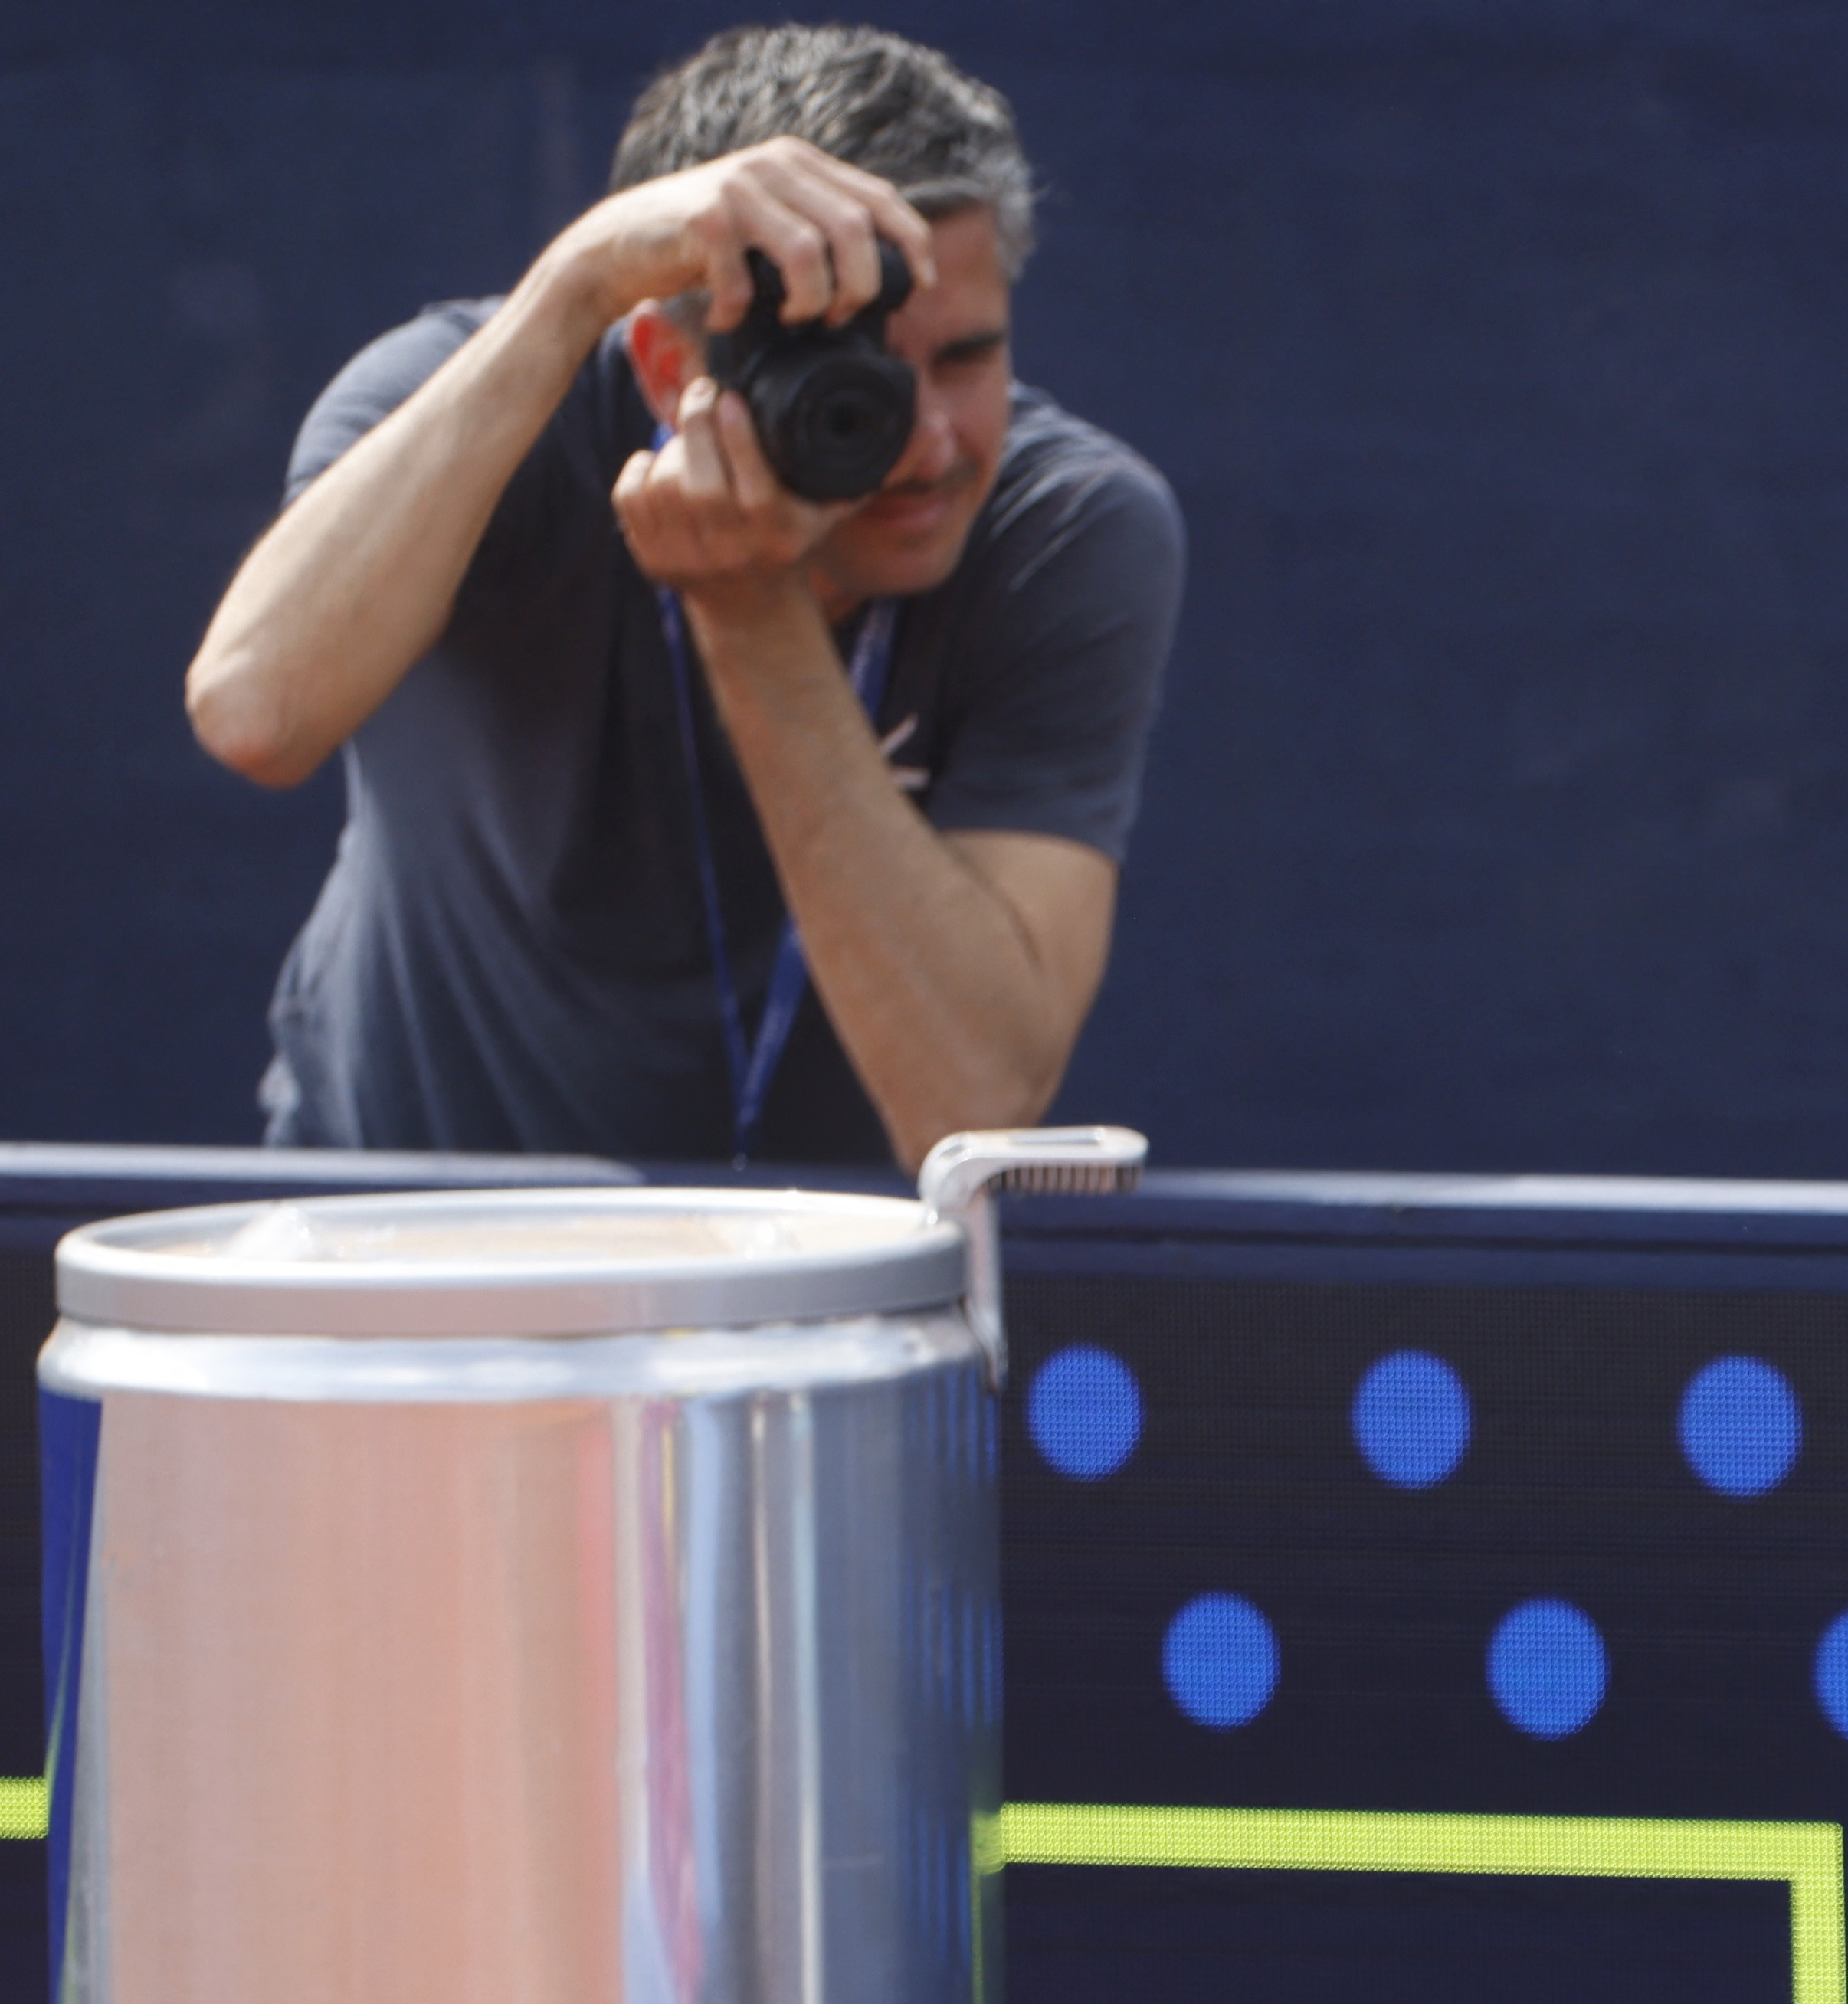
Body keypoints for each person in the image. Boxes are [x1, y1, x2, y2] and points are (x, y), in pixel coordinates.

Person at [185, 24, 1178, 1171]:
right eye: (851, 378)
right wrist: (572, 287)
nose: (925, 442)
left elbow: (972, 1105)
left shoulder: (1066, 525)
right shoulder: (480, 410)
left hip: (814, 1285)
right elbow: (253, 708)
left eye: (967, 358)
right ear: (669, 366)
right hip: (414, 1251)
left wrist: (754, 613)